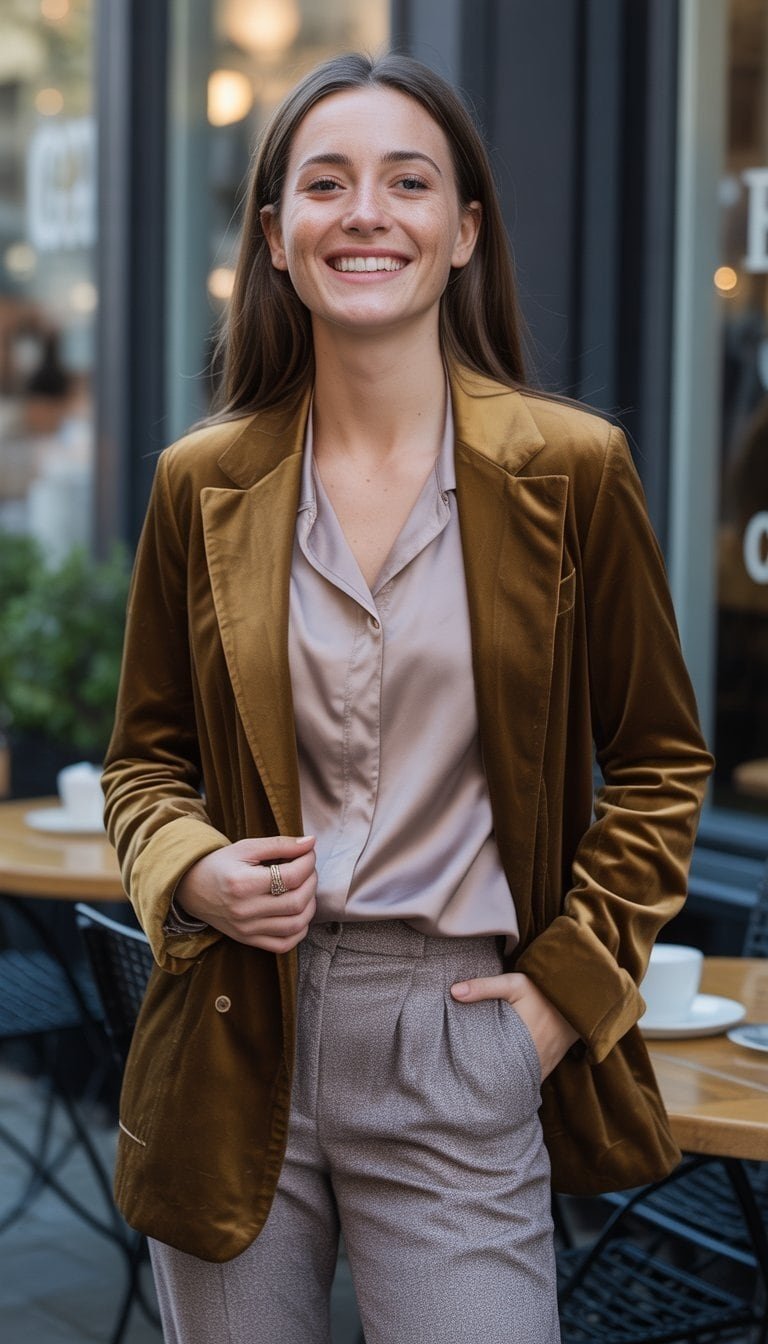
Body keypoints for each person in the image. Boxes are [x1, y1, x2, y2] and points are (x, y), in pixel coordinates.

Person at [102, 51, 713, 1344]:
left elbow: (661, 762)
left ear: (463, 231)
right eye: (324, 184)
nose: (365, 211)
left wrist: (561, 999)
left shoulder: (573, 472)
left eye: (408, 182)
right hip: (233, 1021)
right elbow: (142, 764)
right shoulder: (198, 483)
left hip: (459, 1033)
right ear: (275, 238)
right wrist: (191, 871)